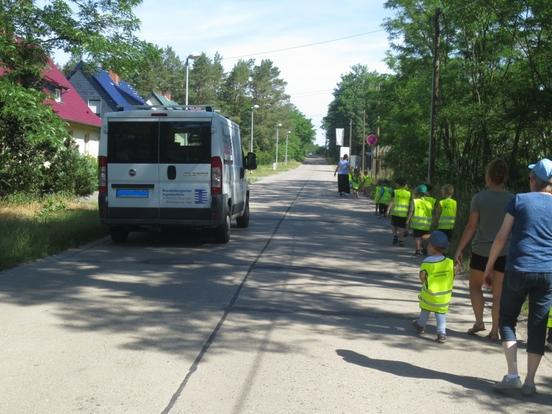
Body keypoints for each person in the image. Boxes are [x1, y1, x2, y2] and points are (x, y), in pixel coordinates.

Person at [483, 158, 552, 396]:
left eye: (531, 176)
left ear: (533, 180)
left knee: (506, 319)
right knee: (537, 325)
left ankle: (513, 375)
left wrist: (489, 267)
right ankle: (531, 382)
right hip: (547, 273)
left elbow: (502, 237)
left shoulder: (520, 200)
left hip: (519, 269)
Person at [454, 159, 514, 341]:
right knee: (498, 295)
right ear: (505, 177)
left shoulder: (479, 198)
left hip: (481, 251)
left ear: (488, 176)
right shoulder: (513, 199)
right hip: (504, 252)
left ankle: (479, 321)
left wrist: (459, 249)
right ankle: (495, 331)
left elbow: (471, 226)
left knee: (474, 286)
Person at [412, 230, 455, 343]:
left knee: (425, 309)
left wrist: (423, 281)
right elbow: (452, 275)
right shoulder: (449, 262)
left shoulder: (427, 262)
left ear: (431, 246)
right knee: (440, 314)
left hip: (429, 294)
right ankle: (441, 333)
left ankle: (420, 325)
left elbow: (422, 276)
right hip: (444, 297)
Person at [408, 184, 434, 256]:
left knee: (417, 237)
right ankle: (425, 250)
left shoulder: (415, 201)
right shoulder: (432, 200)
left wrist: (407, 221)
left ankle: (417, 251)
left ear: (418, 192)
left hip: (417, 223)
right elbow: (434, 211)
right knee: (425, 236)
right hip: (427, 223)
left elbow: (411, 212)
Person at [387, 178, 411, 246]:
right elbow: (410, 204)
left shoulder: (395, 192)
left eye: (396, 184)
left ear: (398, 184)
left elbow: (391, 202)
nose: (395, 185)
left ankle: (395, 236)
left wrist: (388, 210)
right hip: (404, 213)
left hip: (395, 212)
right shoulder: (409, 193)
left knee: (393, 225)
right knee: (401, 227)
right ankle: (401, 241)